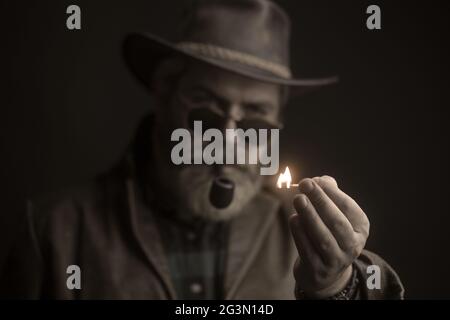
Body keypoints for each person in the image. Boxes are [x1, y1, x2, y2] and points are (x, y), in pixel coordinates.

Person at [0, 0, 404, 299]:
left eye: (255, 116)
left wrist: (339, 285)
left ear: (277, 121)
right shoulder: (54, 233)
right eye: (207, 107)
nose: (228, 139)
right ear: (164, 92)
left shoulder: (301, 232)